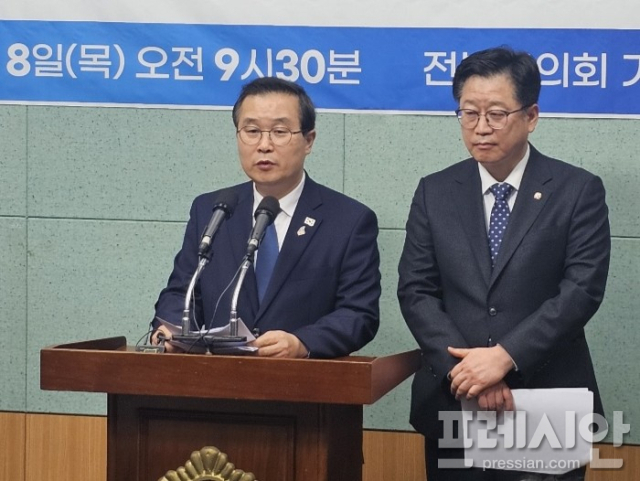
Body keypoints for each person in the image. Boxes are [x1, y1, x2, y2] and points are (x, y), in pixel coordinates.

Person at [397, 47, 610, 480]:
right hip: (456, 398)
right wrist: (470, 371)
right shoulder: (435, 191)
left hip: (546, 402)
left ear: (531, 116)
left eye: (496, 114)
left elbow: (581, 290)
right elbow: (416, 290)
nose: (481, 127)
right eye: (468, 113)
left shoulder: (577, 191)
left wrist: (506, 357)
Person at [151, 76, 380, 358]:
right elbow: (181, 292)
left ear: (308, 140)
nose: (264, 145)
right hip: (216, 378)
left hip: (305, 380)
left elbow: (359, 313)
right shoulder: (212, 209)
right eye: (252, 131)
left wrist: (302, 343)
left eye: (279, 132)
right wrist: (172, 328)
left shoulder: (348, 220)